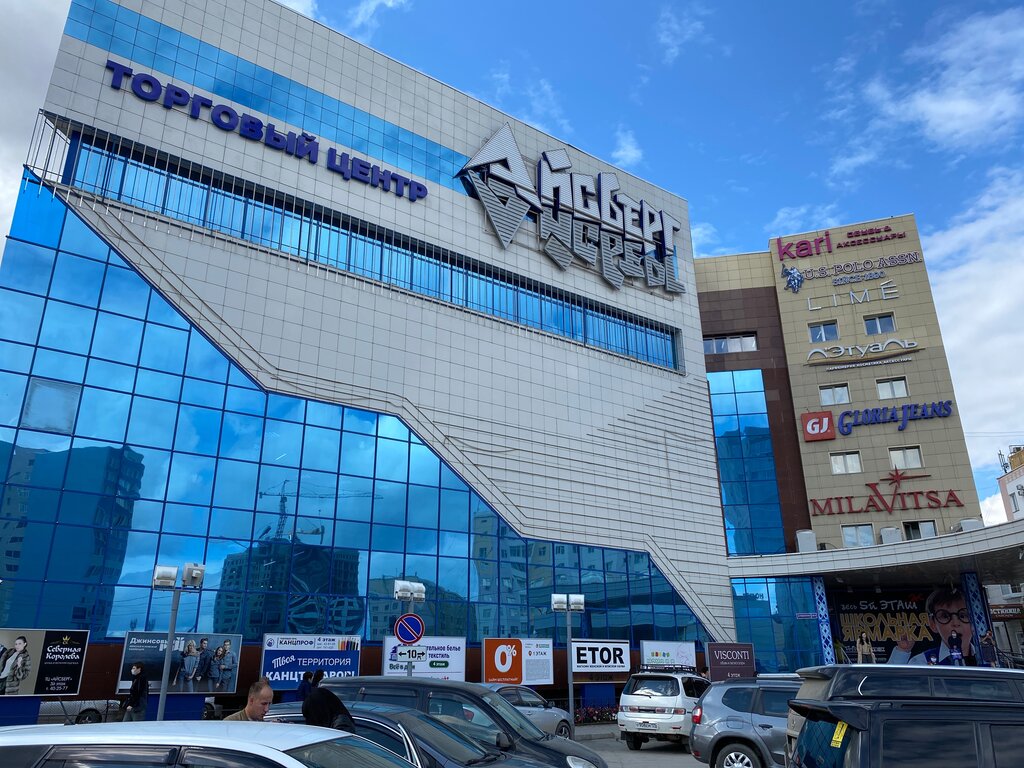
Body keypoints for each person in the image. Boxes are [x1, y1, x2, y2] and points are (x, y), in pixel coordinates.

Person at [888, 586, 975, 666]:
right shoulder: (921, 662)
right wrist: (902, 652)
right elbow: (892, 678)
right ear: (933, 624)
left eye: (963, 615)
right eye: (945, 616)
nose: (955, 623)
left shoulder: (983, 657)